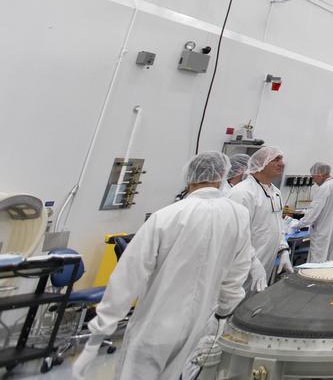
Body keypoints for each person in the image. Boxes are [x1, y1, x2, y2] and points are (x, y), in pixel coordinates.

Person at [71, 153, 254, 380]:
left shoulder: (167, 216)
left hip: (155, 326)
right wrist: (223, 314)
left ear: (189, 178)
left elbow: (128, 278)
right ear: (222, 176)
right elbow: (237, 272)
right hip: (200, 326)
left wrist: (97, 336)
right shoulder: (238, 216)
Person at [228, 146, 290, 292]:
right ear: (260, 163)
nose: (282, 163)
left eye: (281, 159)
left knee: (252, 307)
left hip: (264, 264)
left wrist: (283, 250)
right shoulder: (242, 193)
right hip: (241, 267)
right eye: (276, 159)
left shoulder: (275, 192)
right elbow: (235, 236)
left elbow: (278, 225)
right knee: (232, 306)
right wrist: (253, 263)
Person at [294, 161, 333, 264]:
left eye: (314, 177)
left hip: (322, 229)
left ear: (320, 174)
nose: (314, 181)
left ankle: (315, 280)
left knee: (318, 259)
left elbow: (313, 212)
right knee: (330, 257)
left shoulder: (324, 188)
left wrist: (297, 224)